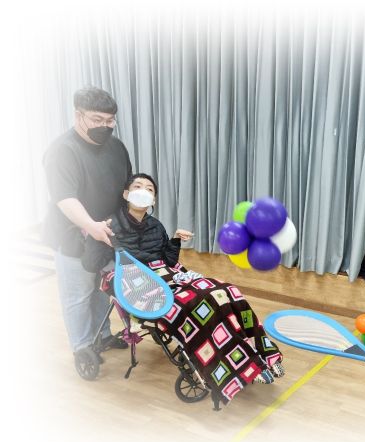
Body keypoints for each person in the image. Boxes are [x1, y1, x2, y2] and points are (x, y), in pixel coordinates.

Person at [82, 173, 285, 407]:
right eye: (137, 187)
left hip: (165, 273)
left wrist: (175, 240)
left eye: (149, 189)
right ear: (126, 194)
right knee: (196, 304)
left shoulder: (155, 226)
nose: (143, 191)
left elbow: (168, 261)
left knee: (226, 292)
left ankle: (261, 354)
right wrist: (95, 236)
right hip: (134, 281)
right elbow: (91, 264)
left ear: (153, 200)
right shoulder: (108, 225)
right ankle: (243, 366)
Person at [43, 86, 132, 355]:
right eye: (97, 119)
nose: (105, 126)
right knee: (79, 295)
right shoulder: (62, 151)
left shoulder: (116, 147)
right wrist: (91, 226)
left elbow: (125, 185)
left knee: (102, 288)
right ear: (78, 115)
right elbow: (65, 198)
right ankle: (82, 347)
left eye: (110, 120)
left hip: (107, 233)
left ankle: (102, 336)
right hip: (73, 236)